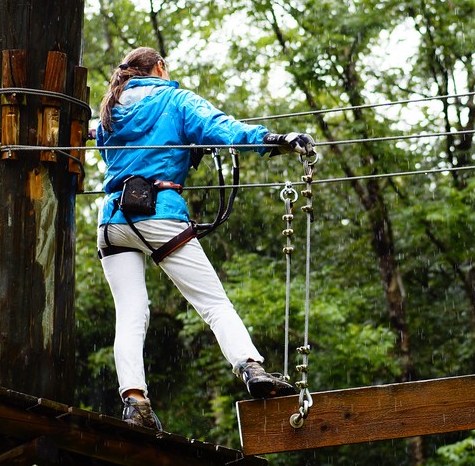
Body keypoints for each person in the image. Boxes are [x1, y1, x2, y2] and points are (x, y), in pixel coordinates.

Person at [95, 47, 315, 430]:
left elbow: (110, 149)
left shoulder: (108, 112)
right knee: (213, 303)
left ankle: (136, 403)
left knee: (131, 313)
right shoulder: (175, 98)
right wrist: (276, 139)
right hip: (158, 213)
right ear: (160, 67)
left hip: (112, 221)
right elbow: (224, 128)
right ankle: (250, 367)